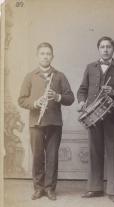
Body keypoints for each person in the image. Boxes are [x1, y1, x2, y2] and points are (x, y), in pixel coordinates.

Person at [77, 36, 114, 202]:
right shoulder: (90, 68)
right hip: (93, 117)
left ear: (113, 49)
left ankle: (113, 191)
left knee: (112, 154)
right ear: (98, 49)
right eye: (102, 47)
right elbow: (82, 90)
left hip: (113, 119)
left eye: (108, 47)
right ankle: (95, 188)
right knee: (95, 153)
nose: (105, 49)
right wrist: (81, 102)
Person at [18, 42, 74, 200]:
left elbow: (70, 98)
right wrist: (35, 103)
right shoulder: (30, 76)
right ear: (37, 56)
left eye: (48, 54)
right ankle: (38, 188)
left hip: (54, 123)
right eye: (42, 53)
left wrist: (58, 97)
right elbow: (21, 100)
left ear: (52, 56)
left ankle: (50, 188)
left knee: (52, 157)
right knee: (37, 156)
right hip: (36, 123)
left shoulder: (60, 76)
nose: (45, 56)